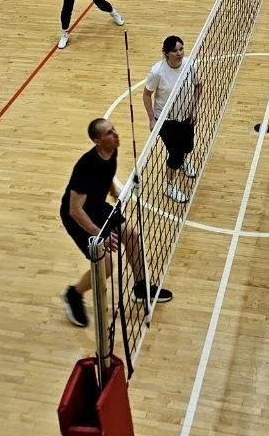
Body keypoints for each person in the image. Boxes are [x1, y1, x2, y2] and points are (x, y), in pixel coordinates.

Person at [60, 117, 173, 329]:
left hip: (97, 206)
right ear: (98, 141)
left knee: (132, 236)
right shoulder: (86, 166)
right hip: (77, 216)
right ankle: (73, 294)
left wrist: (114, 191)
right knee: (105, 266)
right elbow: (75, 210)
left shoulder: (111, 151)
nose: (115, 134)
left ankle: (141, 288)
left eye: (114, 129)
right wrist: (99, 234)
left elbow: (107, 174)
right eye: (109, 133)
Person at [143, 35, 204, 204]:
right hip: (166, 121)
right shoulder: (157, 72)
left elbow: (199, 85)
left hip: (186, 117)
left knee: (188, 147)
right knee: (175, 154)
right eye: (175, 51)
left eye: (181, 49)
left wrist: (195, 109)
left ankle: (183, 161)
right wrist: (152, 119)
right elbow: (147, 95)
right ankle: (169, 186)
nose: (179, 53)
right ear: (166, 53)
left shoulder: (190, 65)